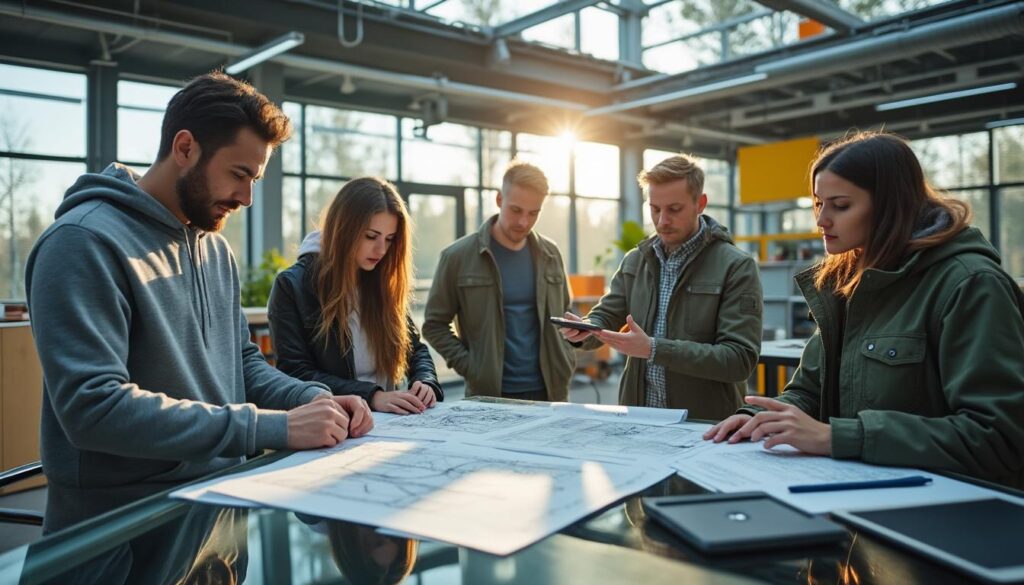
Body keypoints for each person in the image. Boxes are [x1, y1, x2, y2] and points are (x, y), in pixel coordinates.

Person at [25, 72, 372, 534]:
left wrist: (310, 398)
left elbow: (240, 363)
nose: (248, 197)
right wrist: (273, 428)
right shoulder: (82, 242)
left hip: (219, 516)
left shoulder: (214, 249)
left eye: (256, 178)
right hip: (120, 533)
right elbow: (94, 409)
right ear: (185, 148)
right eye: (239, 174)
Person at [704, 132, 1024, 488]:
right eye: (817, 203)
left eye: (840, 205)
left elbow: (999, 436)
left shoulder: (970, 284)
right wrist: (758, 418)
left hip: (951, 513)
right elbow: (809, 391)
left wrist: (837, 438)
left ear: (890, 205)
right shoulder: (844, 280)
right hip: (857, 497)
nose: (821, 220)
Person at [559, 154, 762, 420]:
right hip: (640, 419)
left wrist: (654, 349)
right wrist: (585, 329)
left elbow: (738, 360)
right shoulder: (636, 260)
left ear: (700, 204)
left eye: (674, 209)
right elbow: (606, 316)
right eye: (655, 209)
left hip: (704, 425)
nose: (662, 220)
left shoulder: (736, 267)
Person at [268, 177, 442, 414]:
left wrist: (425, 380)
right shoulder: (293, 286)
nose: (381, 250)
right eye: (371, 236)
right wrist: (372, 396)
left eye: (389, 239)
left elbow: (414, 347)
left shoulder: (381, 279)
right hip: (333, 424)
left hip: (392, 423)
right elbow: (296, 373)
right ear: (344, 229)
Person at [423, 160, 575, 401]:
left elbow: (565, 312)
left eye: (533, 213)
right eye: (516, 210)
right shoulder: (457, 256)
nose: (524, 222)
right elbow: (434, 325)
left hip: (550, 390)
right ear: (499, 200)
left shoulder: (550, 253)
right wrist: (472, 367)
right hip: (489, 393)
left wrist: (567, 356)